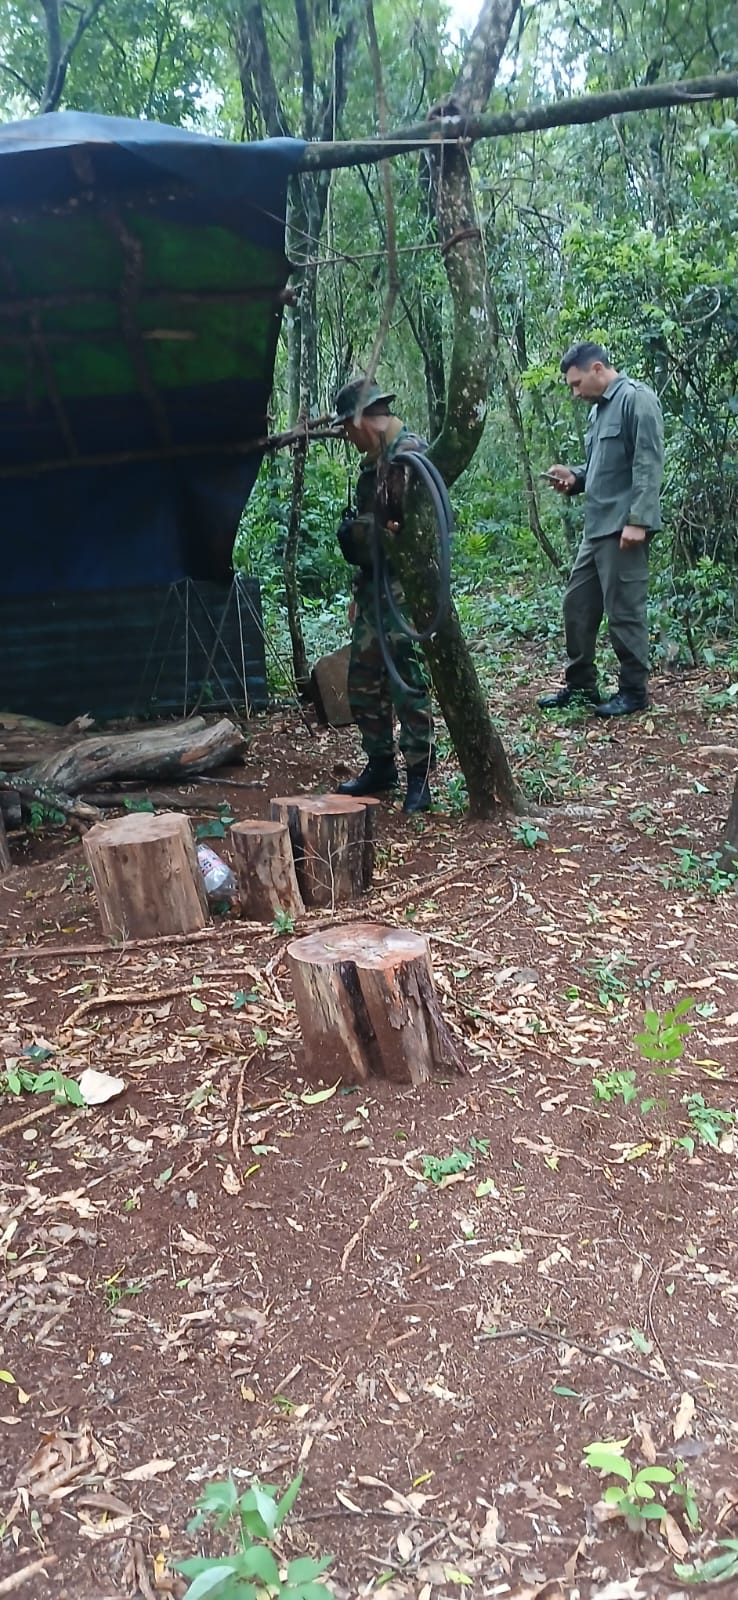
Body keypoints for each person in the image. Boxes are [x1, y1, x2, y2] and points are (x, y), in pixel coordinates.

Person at [538, 340, 665, 717]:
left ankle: (633, 691)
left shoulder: (636, 399)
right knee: (576, 605)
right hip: (596, 529)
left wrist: (638, 521)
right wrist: (574, 478)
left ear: (597, 369)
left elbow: (647, 463)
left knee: (624, 611)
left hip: (623, 529)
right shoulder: (599, 412)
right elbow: (602, 468)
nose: (575, 393)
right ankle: (581, 686)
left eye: (577, 384)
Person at [330, 376, 435, 813]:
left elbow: (417, 536)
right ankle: (380, 765)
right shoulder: (374, 462)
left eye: (346, 429)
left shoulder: (410, 456)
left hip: (405, 590)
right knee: (363, 681)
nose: (345, 437)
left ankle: (419, 778)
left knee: (406, 681)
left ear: (361, 422)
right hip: (375, 589)